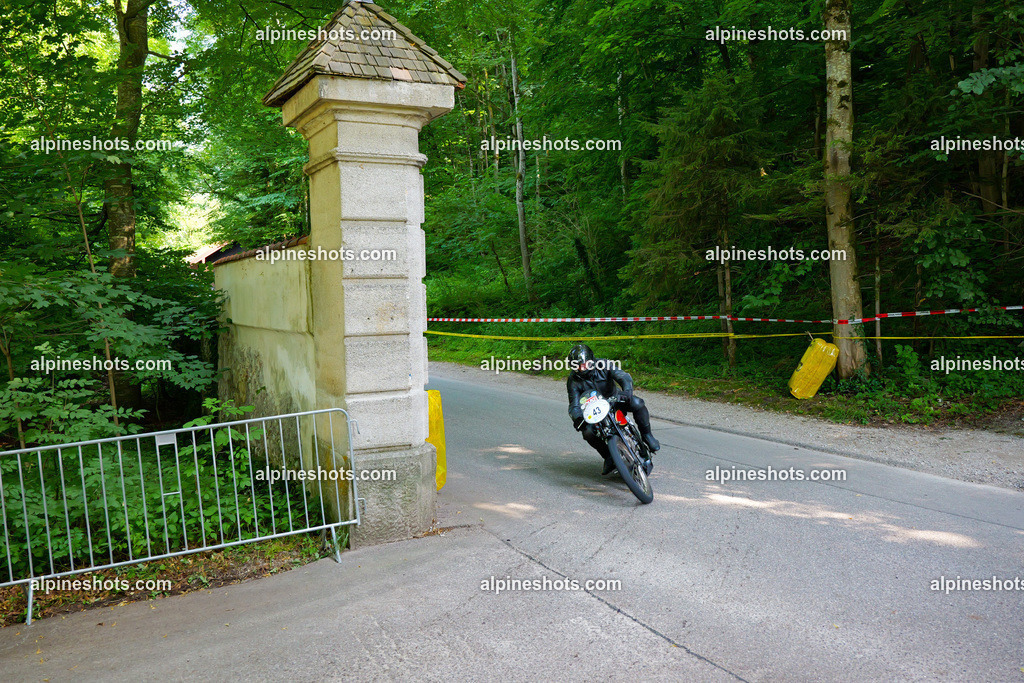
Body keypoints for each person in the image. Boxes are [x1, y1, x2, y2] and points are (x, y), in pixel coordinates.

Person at [566, 344, 660, 475]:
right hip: (596, 411)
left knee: (638, 403)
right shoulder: (573, 380)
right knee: (588, 432)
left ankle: (647, 435)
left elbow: (623, 376)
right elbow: (574, 405)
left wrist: (627, 391)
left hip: (615, 401)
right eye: (578, 365)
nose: (582, 368)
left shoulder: (603, 364)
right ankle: (608, 457)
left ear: (591, 360)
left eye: (585, 364)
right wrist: (577, 418)